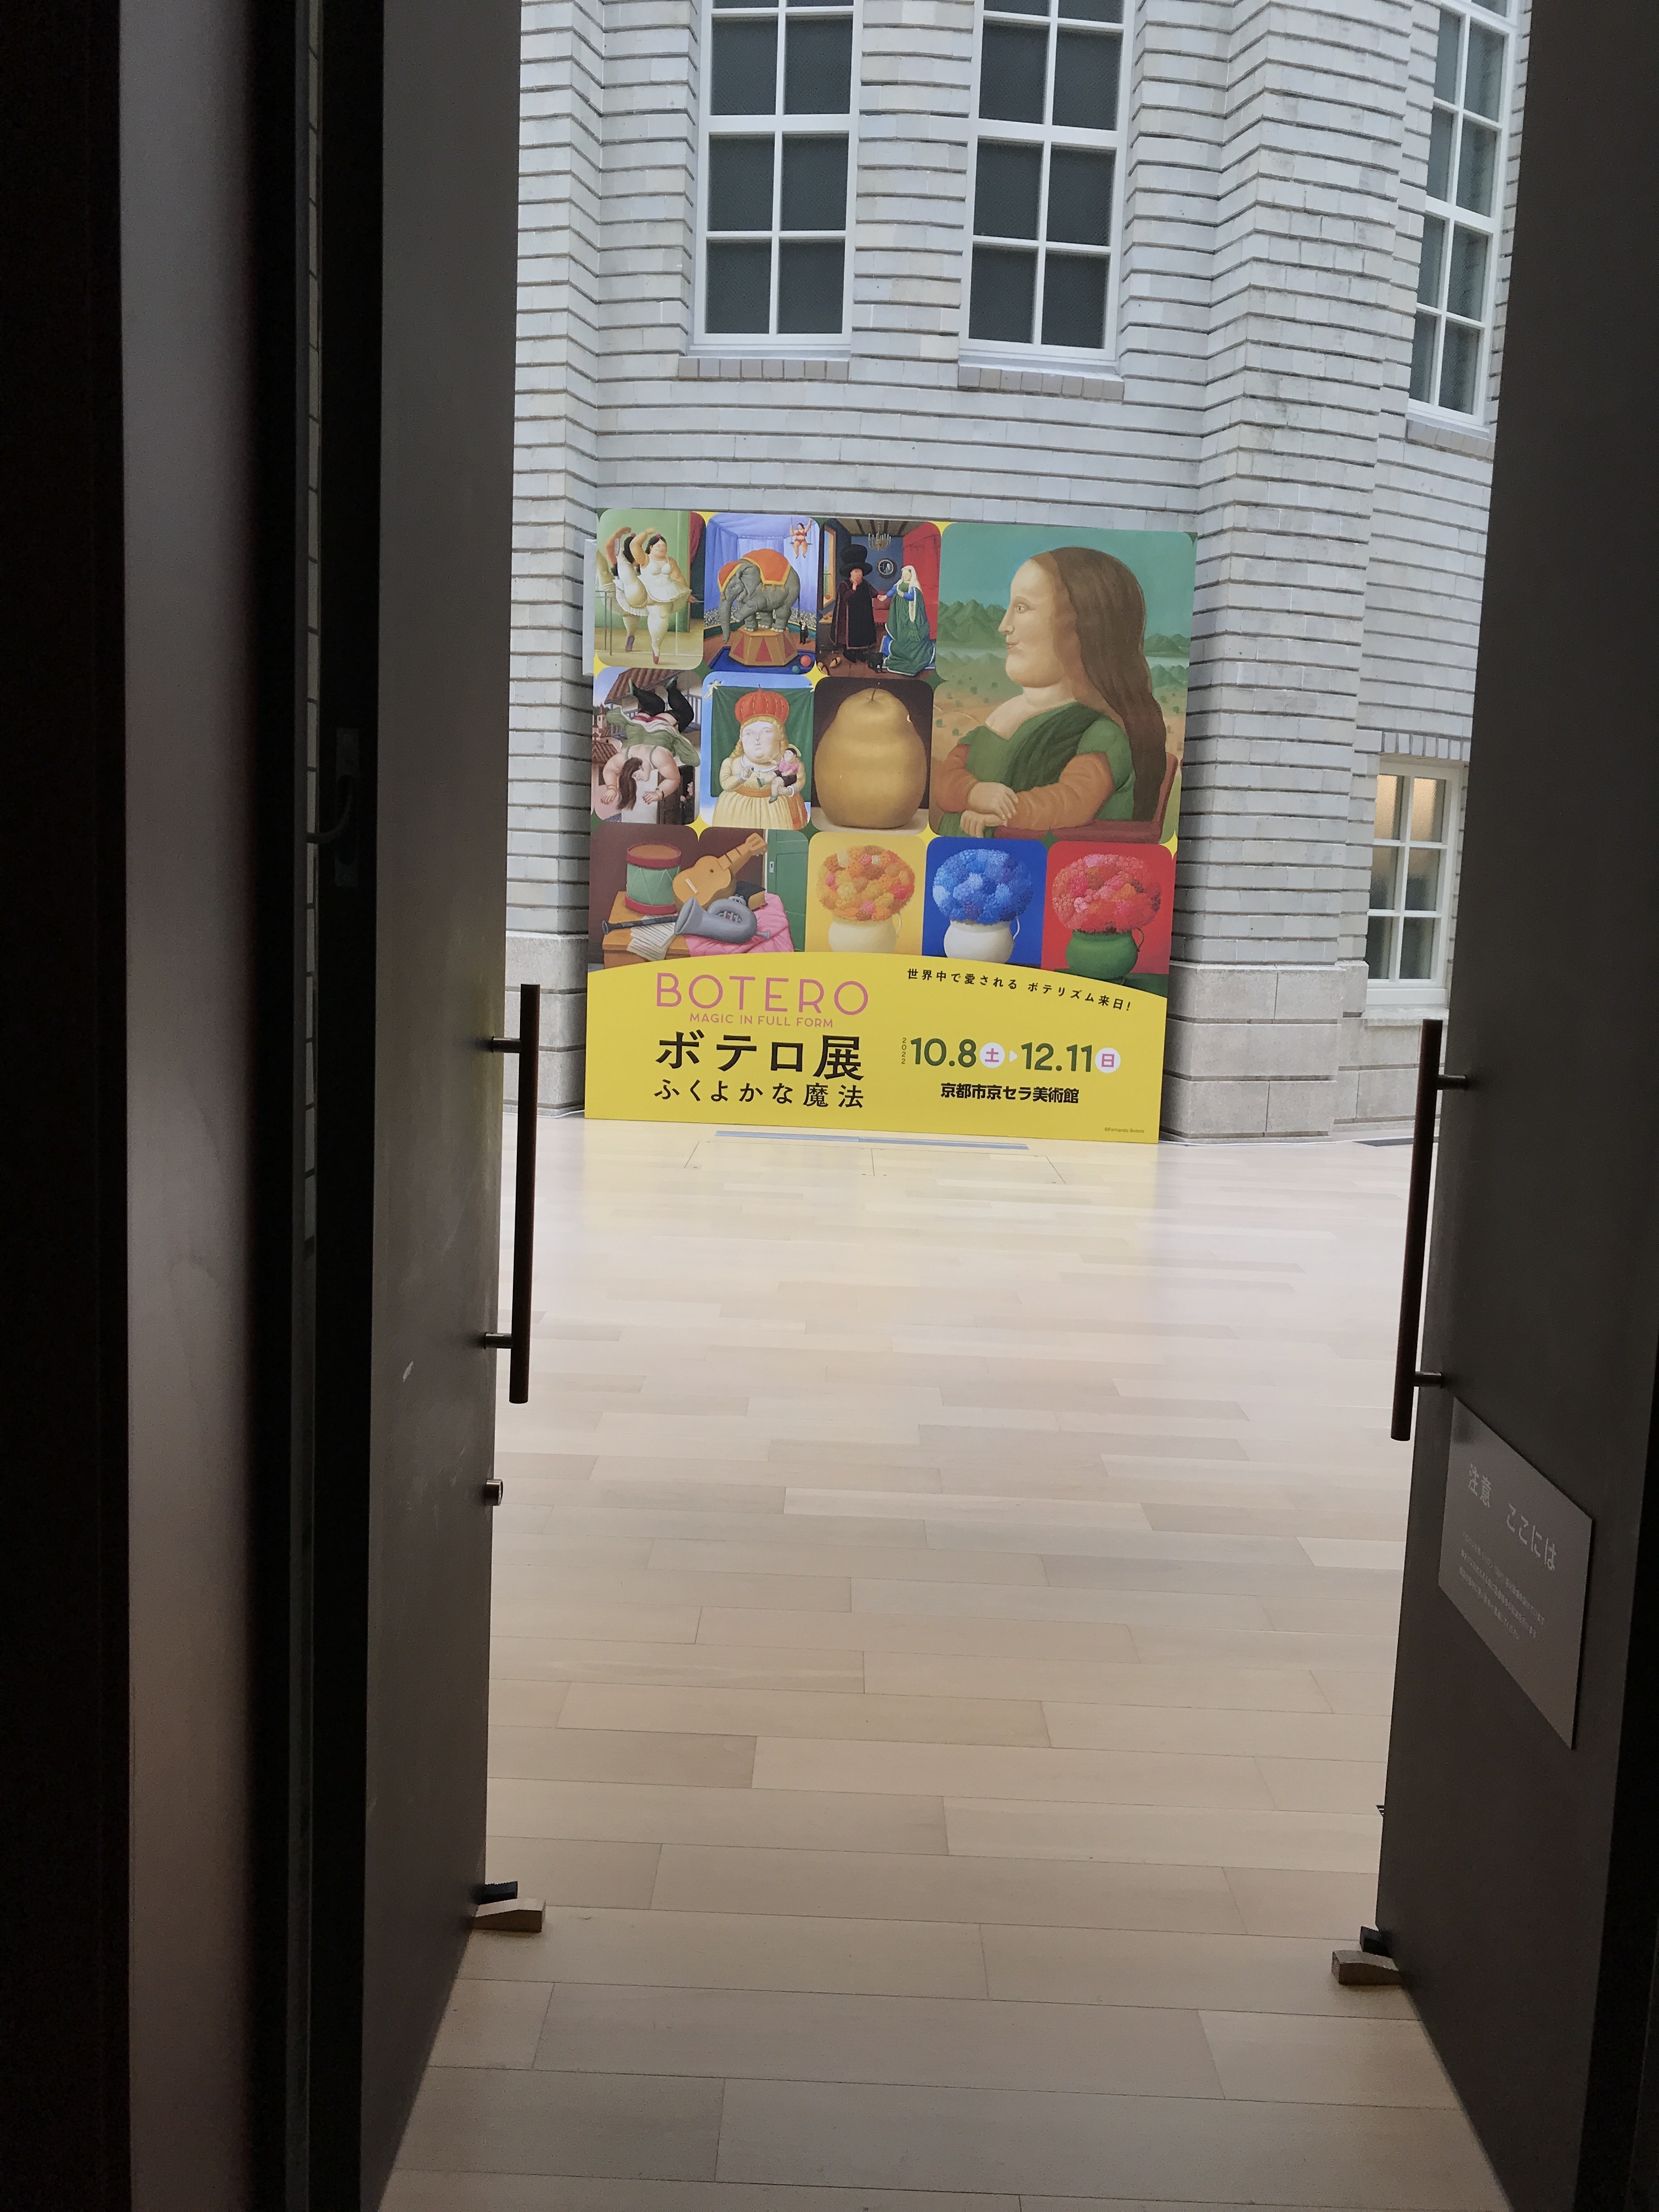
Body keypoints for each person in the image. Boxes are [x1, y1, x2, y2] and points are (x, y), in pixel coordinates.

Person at [930, 548, 1169, 838]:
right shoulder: (1005, 715)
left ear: (1082, 627)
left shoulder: (1102, 732)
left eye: (1022, 608)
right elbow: (948, 778)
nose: (1004, 626)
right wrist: (972, 792)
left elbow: (1073, 800)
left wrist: (1007, 812)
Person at [712, 689, 809, 830]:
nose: (757, 738)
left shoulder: (793, 764)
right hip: (735, 812)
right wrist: (741, 777)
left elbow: (799, 782)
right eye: (749, 733)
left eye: (766, 731)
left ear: (780, 737)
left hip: (778, 812)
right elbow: (726, 785)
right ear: (741, 740)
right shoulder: (731, 763)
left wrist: (788, 791)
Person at [881, 563, 934, 676]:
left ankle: (909, 650)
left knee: (907, 629)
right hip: (899, 612)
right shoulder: (900, 583)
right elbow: (893, 590)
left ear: (912, 575)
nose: (904, 576)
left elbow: (913, 597)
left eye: (906, 574)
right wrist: (885, 596)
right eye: (903, 574)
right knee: (898, 626)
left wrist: (903, 595)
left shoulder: (914, 586)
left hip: (911, 613)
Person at [832, 561, 881, 667]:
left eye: (860, 572)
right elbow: (845, 598)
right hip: (848, 616)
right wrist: (853, 589)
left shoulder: (865, 583)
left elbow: (873, 592)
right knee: (849, 635)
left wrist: (878, 596)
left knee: (860, 633)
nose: (859, 574)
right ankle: (848, 652)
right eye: (856, 572)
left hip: (862, 614)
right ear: (851, 573)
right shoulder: (844, 584)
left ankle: (859, 651)